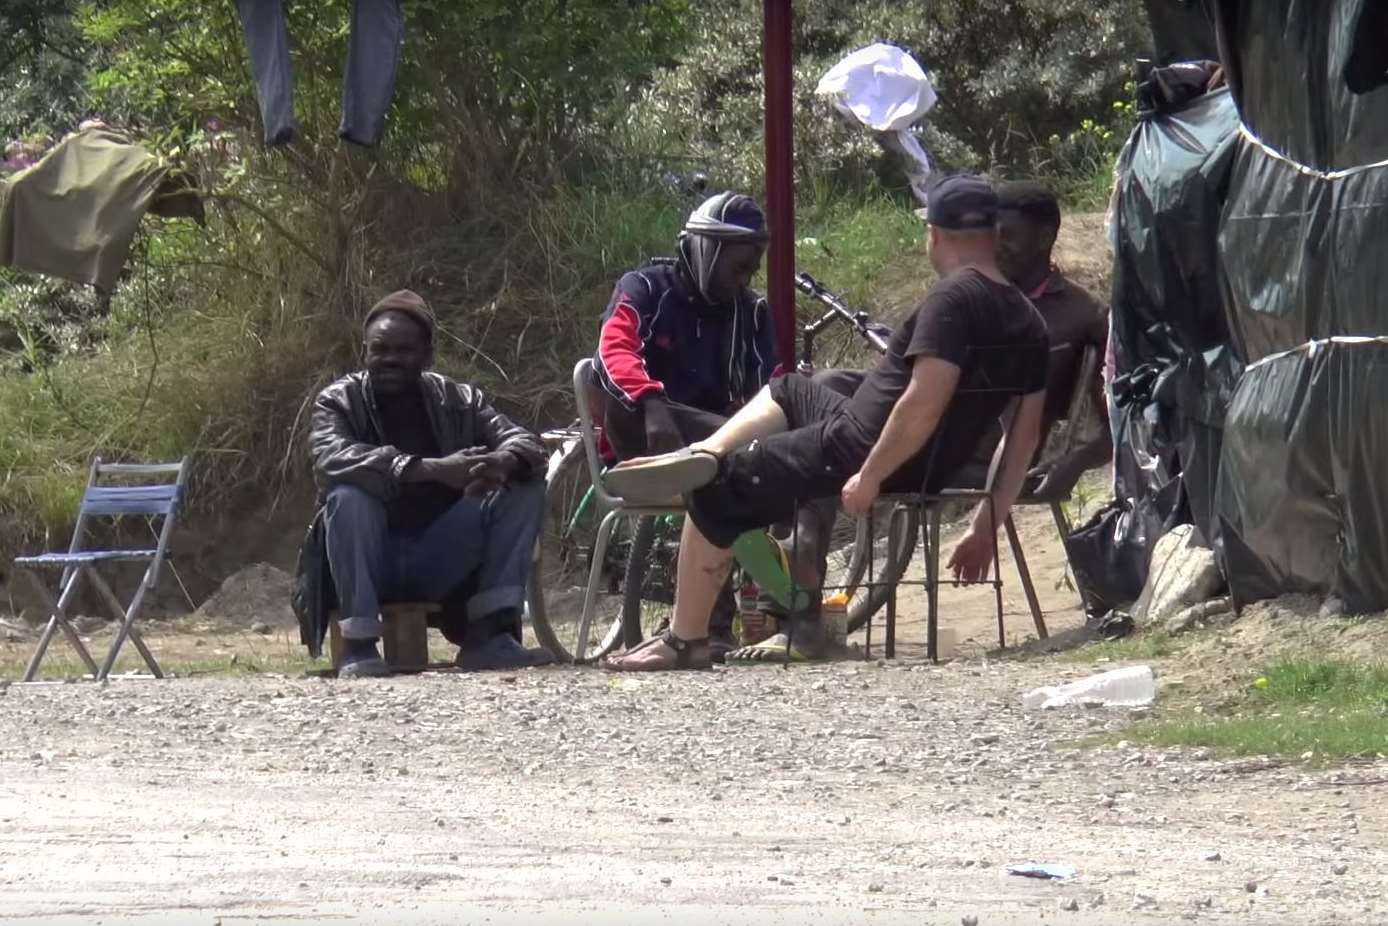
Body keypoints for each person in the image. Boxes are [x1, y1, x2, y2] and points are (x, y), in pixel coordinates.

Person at [600, 175, 1050, 671]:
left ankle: (686, 640)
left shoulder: (953, 300)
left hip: (856, 447)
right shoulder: (1029, 321)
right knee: (794, 388)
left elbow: (923, 401)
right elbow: (1023, 437)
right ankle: (707, 449)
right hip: (925, 464)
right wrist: (986, 524)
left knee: (717, 490)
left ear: (936, 234)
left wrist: (873, 474)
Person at [730, 179, 1113, 662]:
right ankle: (783, 568)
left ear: (1044, 239)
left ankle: (794, 603)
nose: (996, 246)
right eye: (992, 234)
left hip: (976, 453)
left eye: (1006, 236)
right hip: (932, 429)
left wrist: (1073, 462)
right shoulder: (968, 297)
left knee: (822, 453)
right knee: (827, 386)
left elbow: (1106, 419)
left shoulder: (1078, 313)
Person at [303, 289, 552, 677]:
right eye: (380, 349)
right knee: (348, 497)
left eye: (404, 351)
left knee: (523, 486)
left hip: (439, 558)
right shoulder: (337, 402)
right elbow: (330, 459)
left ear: (427, 355)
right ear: (365, 351)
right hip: (366, 565)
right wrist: (432, 469)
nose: (390, 360)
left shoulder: (461, 399)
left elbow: (527, 443)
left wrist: (503, 460)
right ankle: (358, 645)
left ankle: (490, 636)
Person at [592, 191, 778, 661]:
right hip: (647, 436)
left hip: (719, 445)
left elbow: (770, 390)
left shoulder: (750, 313)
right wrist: (652, 403)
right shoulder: (644, 289)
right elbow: (613, 350)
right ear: (704, 250)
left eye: (751, 270)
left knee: (768, 446)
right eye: (737, 267)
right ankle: (705, 623)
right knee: (716, 450)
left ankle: (776, 615)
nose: (744, 280)